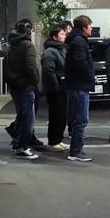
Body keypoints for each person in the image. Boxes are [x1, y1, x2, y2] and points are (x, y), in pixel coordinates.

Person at [3, 18, 40, 159]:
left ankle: (16, 140)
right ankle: (21, 147)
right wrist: (35, 80)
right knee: (28, 118)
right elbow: (30, 67)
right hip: (26, 87)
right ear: (29, 31)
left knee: (22, 115)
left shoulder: (12, 45)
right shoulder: (27, 46)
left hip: (15, 87)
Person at [63, 15, 95, 162]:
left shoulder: (74, 40)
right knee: (81, 119)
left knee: (78, 118)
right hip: (79, 85)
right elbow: (81, 61)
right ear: (84, 27)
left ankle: (76, 149)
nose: (92, 28)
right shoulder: (79, 41)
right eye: (90, 25)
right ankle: (76, 151)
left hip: (75, 84)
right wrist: (90, 77)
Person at [41, 21, 72, 152]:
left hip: (62, 87)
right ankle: (53, 141)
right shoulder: (50, 51)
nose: (64, 35)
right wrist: (55, 86)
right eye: (62, 34)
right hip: (56, 88)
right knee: (56, 115)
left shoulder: (61, 49)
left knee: (62, 115)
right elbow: (49, 71)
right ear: (55, 37)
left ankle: (58, 139)